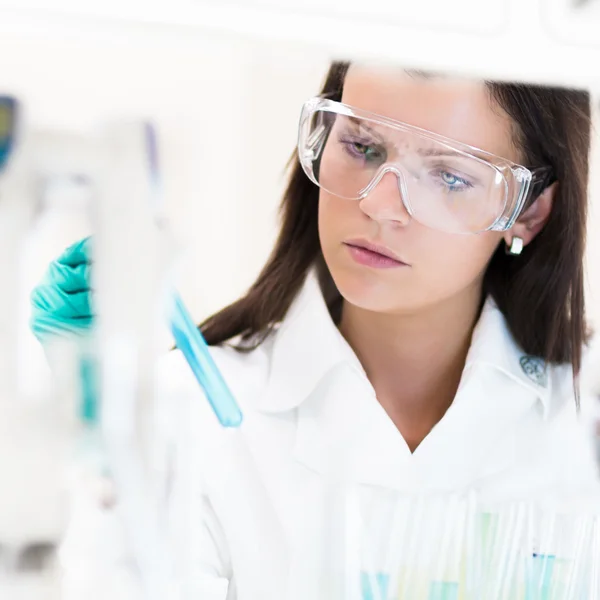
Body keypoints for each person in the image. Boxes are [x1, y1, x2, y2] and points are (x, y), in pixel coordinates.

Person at [30, 61, 600, 598]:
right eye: (361, 146)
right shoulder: (194, 411)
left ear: (527, 211)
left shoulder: (582, 416)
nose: (380, 205)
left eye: (449, 176)